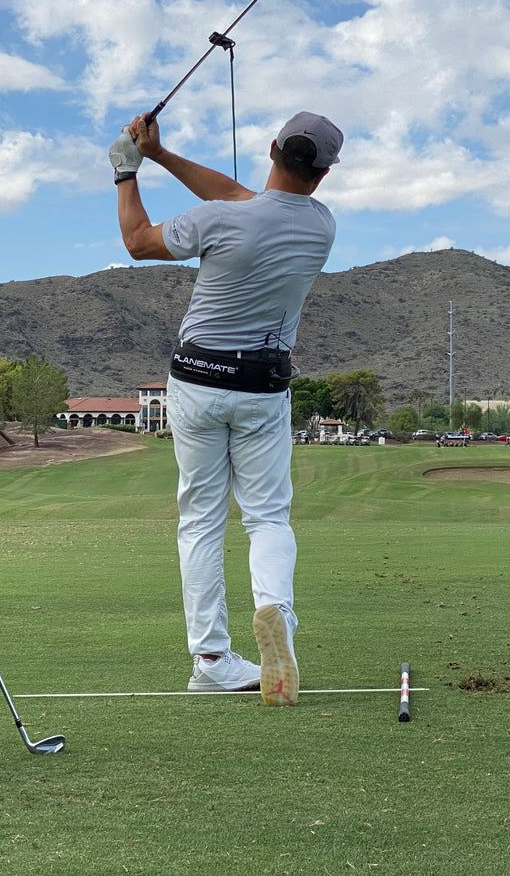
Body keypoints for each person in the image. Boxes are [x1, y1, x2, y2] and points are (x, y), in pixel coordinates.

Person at [108, 109, 342, 706]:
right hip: (263, 389)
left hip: (195, 382)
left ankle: (211, 658)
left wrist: (126, 171)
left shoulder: (218, 220)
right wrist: (161, 155)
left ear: (270, 148)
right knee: (268, 518)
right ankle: (277, 618)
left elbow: (137, 242)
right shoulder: (320, 225)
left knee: (201, 520)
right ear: (324, 172)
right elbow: (245, 198)